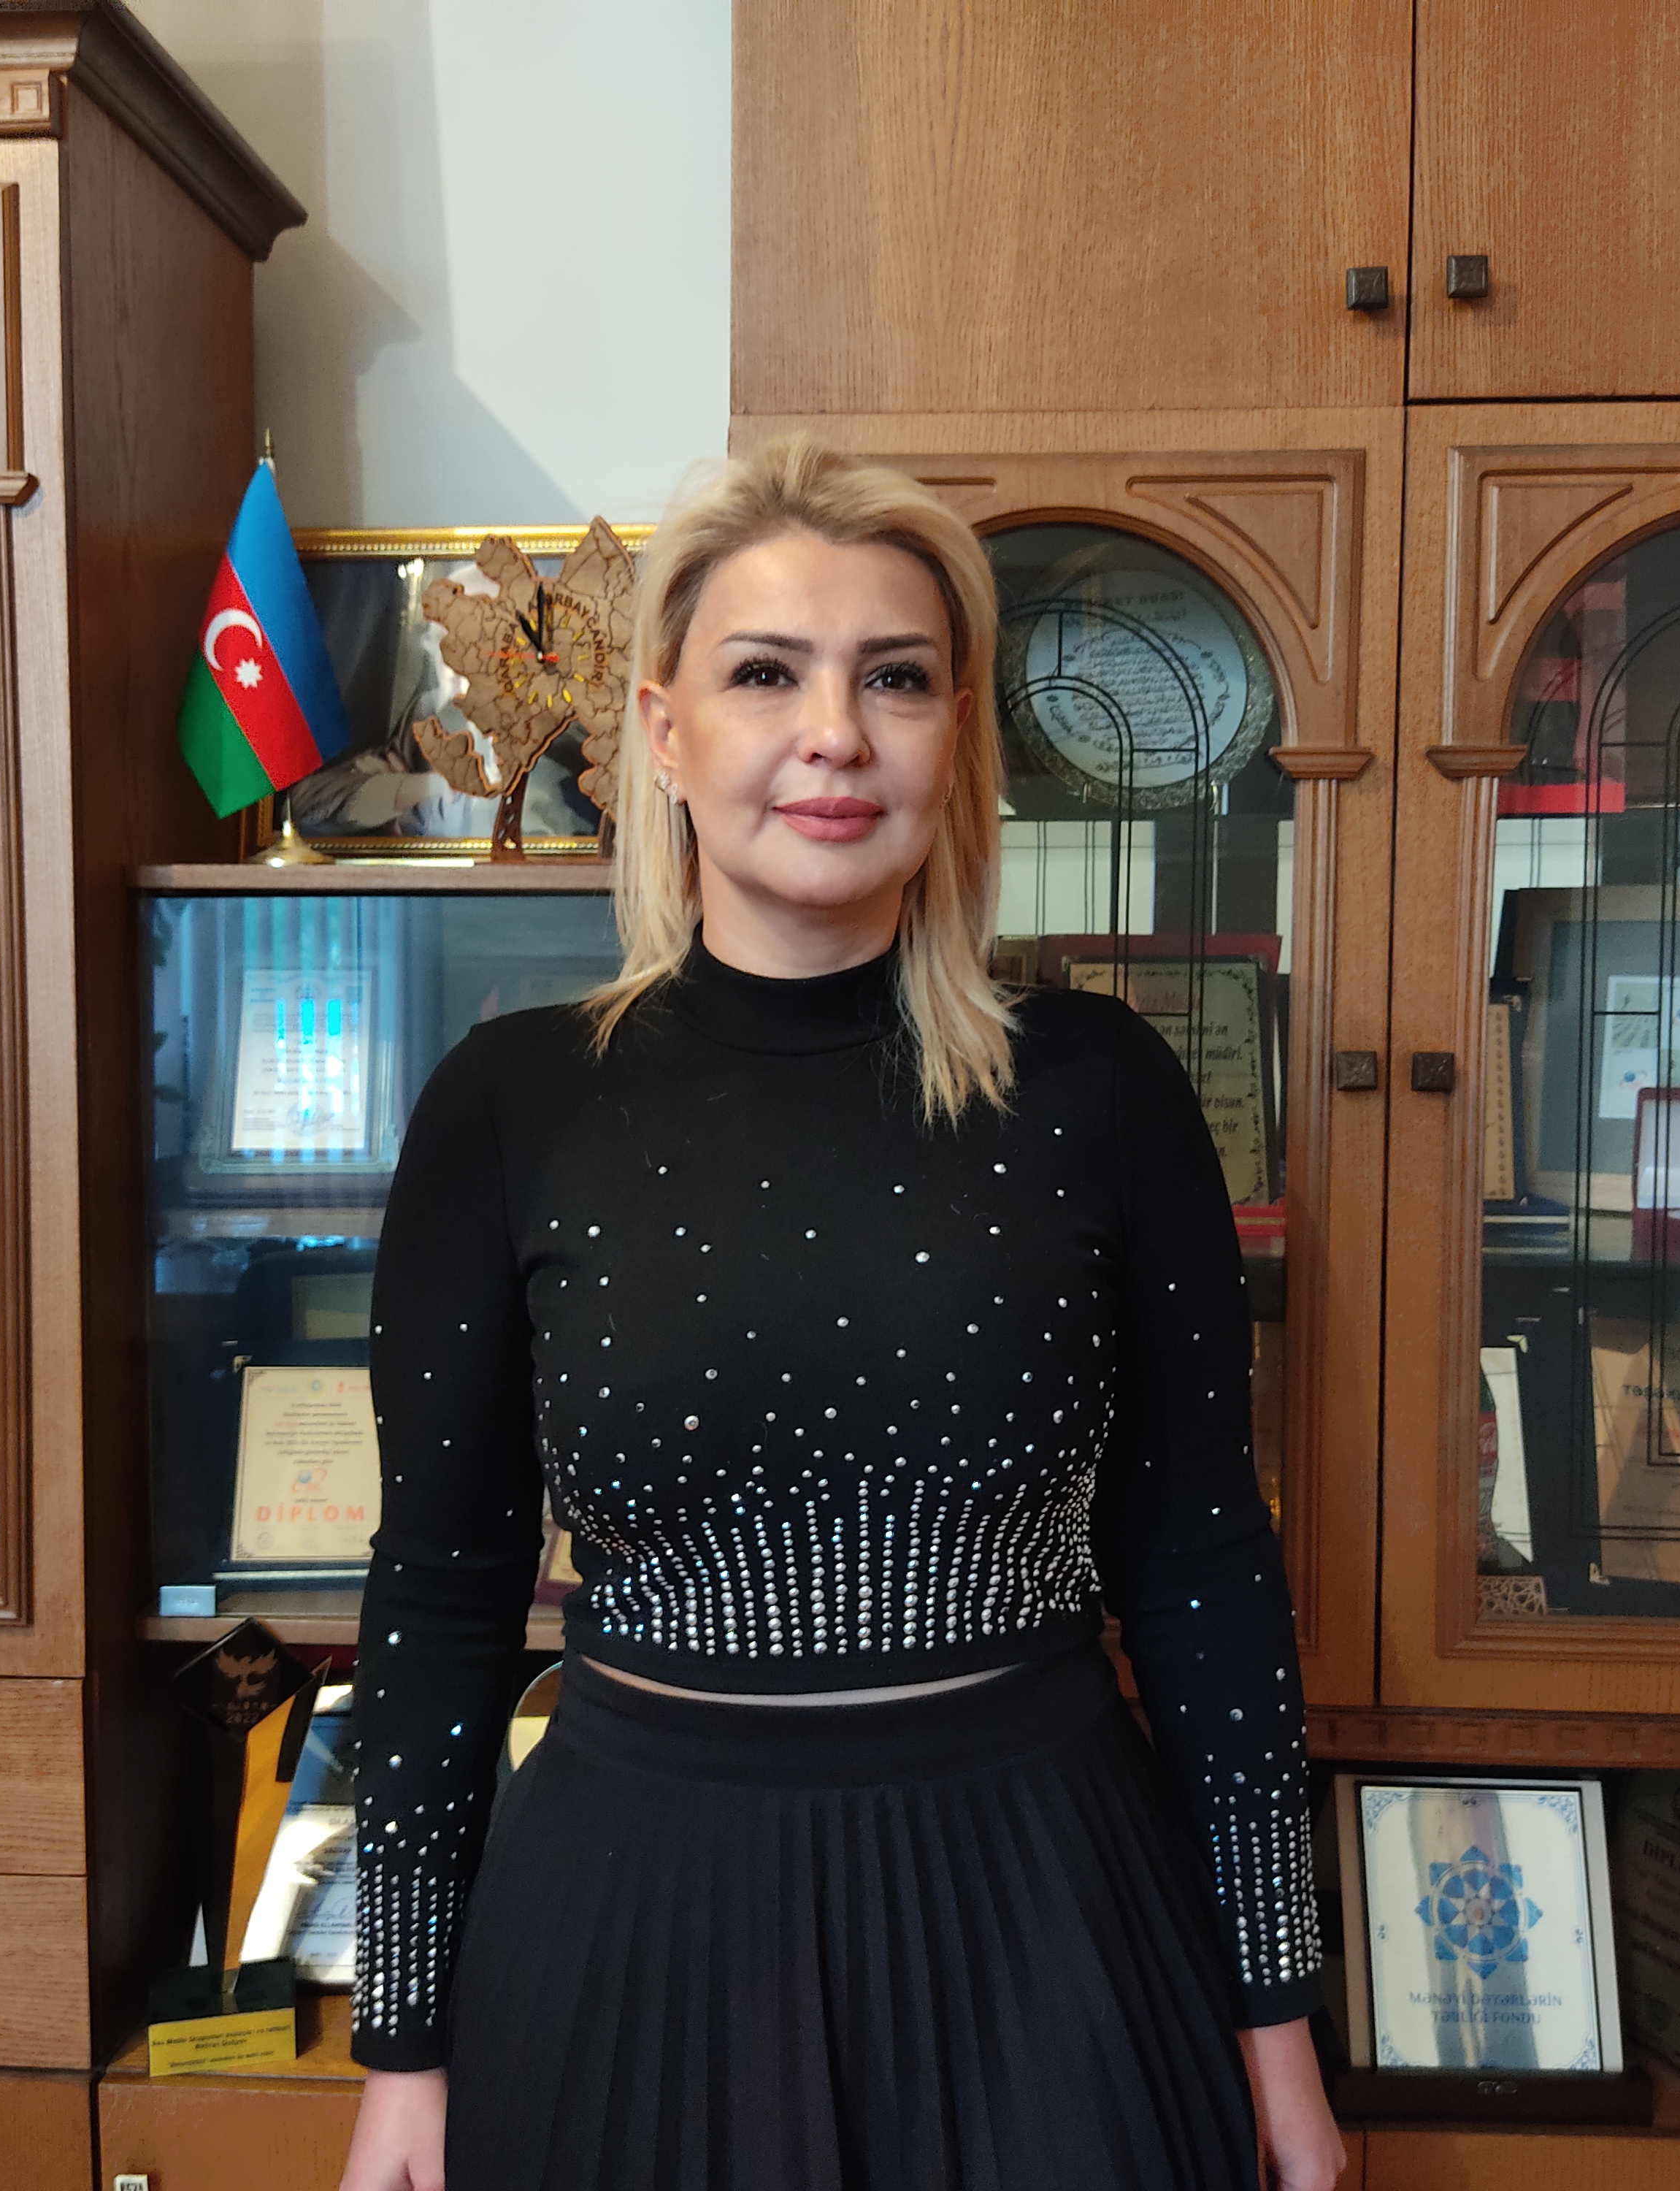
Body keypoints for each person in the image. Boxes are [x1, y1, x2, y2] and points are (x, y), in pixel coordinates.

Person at [337, 437, 1344, 2191]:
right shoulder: (510, 1105)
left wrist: (1277, 2023)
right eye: (763, 675)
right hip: (628, 1926)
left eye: (892, 678)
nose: (833, 734)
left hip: (1051, 1917)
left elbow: (1200, 1568)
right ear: (662, 732)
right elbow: (438, 1590)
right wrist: (401, 2051)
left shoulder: (1100, 1089)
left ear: (955, 736)